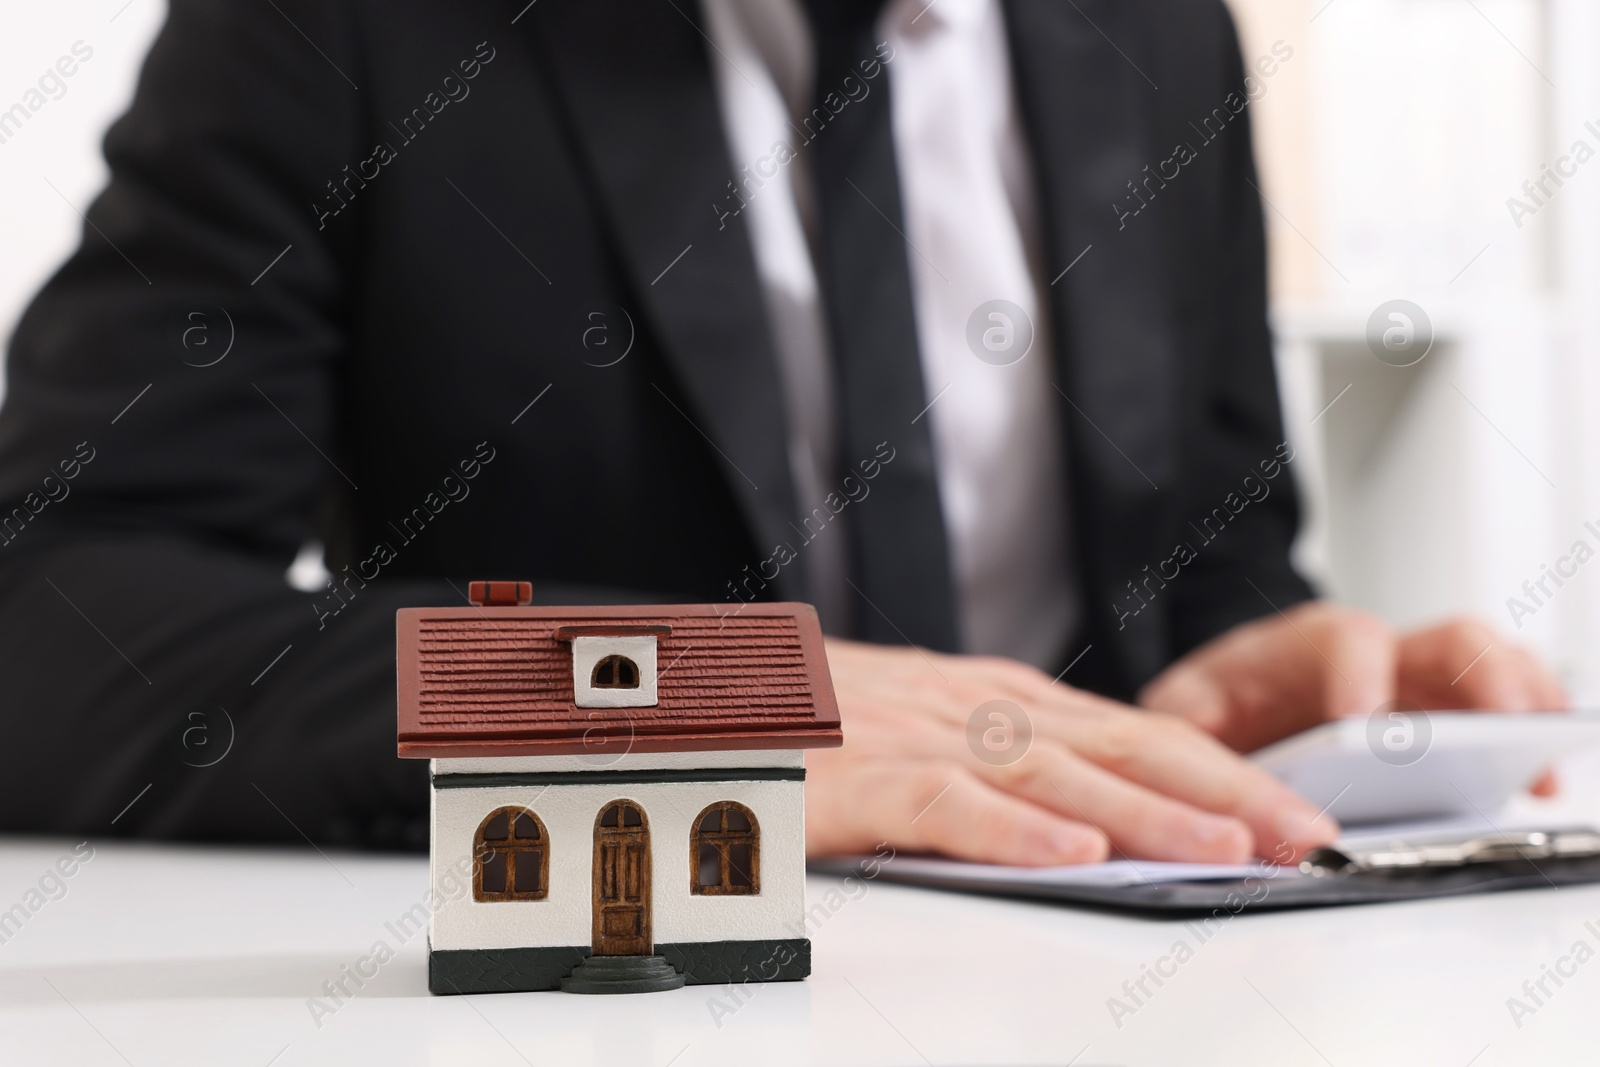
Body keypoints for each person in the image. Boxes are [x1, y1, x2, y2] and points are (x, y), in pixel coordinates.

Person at [0, 0, 1562, 866]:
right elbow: (55, 617)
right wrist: (659, 704)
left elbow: (1210, 557)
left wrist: (1249, 682)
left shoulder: (1162, 41)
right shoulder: (336, 31)